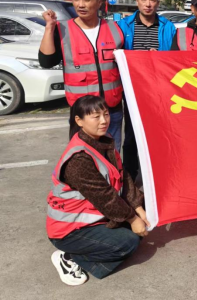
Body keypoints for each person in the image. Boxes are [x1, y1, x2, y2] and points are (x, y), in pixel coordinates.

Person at [47, 95, 149, 286]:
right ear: (79, 121)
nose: (104, 121)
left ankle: (104, 239)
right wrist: (133, 219)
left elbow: (123, 176)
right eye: (96, 116)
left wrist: (138, 207)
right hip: (70, 230)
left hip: (96, 217)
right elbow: (105, 197)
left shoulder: (104, 140)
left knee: (145, 216)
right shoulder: (78, 159)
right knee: (128, 242)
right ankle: (69, 257)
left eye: (106, 114)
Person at [38, 0, 124, 151]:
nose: (81, 4)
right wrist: (49, 27)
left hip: (111, 110)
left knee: (113, 155)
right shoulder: (62, 29)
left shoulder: (115, 29)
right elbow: (47, 61)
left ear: (99, 3)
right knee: (84, 157)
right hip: (83, 112)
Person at [117, 0, 176, 180]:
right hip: (133, 90)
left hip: (159, 91)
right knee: (131, 135)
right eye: (144, 0)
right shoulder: (123, 26)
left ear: (158, 3)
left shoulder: (168, 27)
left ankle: (160, 176)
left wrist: (158, 58)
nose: (148, 4)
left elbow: (173, 59)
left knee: (159, 134)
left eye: (152, 0)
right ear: (137, 1)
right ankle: (130, 177)